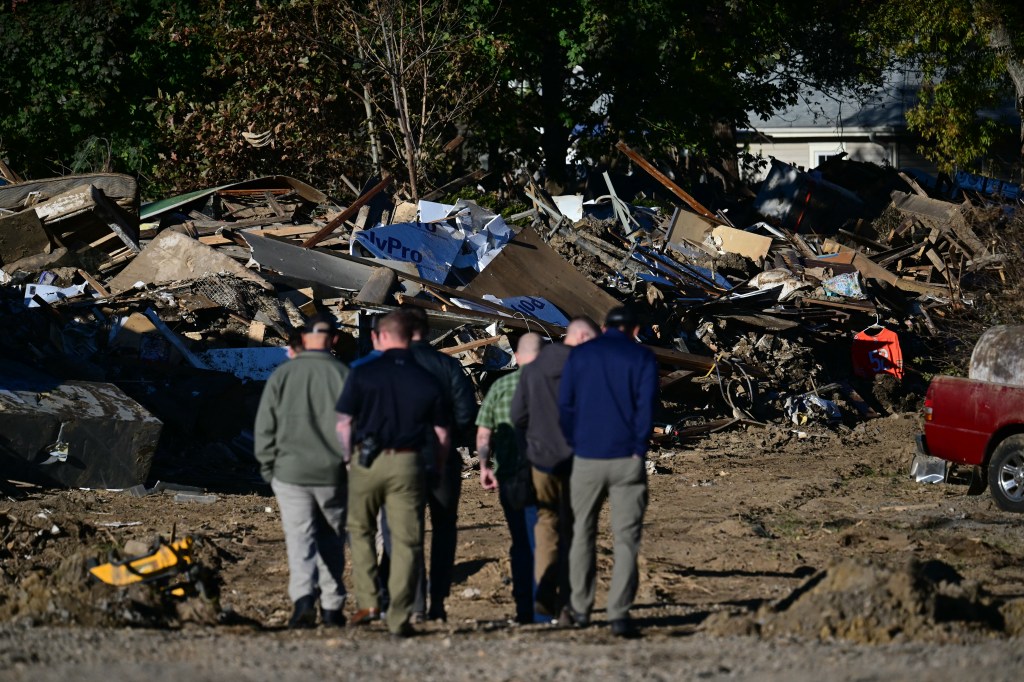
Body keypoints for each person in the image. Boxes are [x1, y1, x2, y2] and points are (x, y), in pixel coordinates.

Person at [336, 311, 450, 638]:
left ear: (380, 337)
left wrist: (348, 459)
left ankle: (369, 600)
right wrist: (438, 466)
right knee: (407, 541)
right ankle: (399, 617)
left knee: (359, 529)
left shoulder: (362, 374)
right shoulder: (427, 379)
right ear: (410, 336)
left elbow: (343, 423)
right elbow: (442, 434)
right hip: (408, 462)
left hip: (366, 461)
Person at [557, 306, 658, 638]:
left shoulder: (580, 356)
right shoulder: (642, 358)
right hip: (626, 458)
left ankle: (581, 608)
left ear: (603, 327)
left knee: (581, 534)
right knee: (626, 539)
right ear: (635, 329)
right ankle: (618, 614)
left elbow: (566, 406)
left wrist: (575, 441)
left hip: (586, 457)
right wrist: (638, 448)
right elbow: (646, 410)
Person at [254, 314, 350, 628]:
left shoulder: (283, 375)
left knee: (300, 538)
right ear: (334, 340)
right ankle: (333, 607)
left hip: (291, 472)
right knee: (332, 539)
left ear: (305, 338)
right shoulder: (345, 376)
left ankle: (304, 600)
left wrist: (269, 469)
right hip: (333, 473)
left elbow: (265, 428)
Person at [510, 317, 599, 619]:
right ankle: (572, 604)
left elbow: (517, 417)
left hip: (542, 461)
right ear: (584, 338)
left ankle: (544, 595)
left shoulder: (533, 369)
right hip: (579, 461)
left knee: (547, 524)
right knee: (577, 531)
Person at [402, 305, 477, 622]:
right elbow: (466, 411)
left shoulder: (393, 366)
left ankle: (416, 602)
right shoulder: (447, 365)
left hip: (403, 457)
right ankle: (439, 601)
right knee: (445, 527)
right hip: (443, 457)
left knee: (410, 531)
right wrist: (456, 435)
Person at [476, 332, 543, 624]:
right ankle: (547, 606)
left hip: (511, 475)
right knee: (547, 539)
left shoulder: (500, 387)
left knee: (520, 542)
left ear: (516, 357)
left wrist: (484, 466)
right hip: (548, 474)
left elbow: (483, 433)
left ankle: (523, 608)